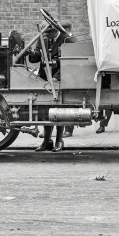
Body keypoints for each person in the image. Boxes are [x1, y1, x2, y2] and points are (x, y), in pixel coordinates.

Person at [28, 21, 76, 151]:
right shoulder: (43, 38)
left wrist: (57, 77)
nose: (44, 38)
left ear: (55, 31)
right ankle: (46, 141)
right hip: (45, 79)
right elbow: (38, 56)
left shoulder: (68, 40)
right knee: (45, 111)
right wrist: (32, 54)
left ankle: (59, 141)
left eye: (47, 35)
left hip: (61, 79)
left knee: (59, 111)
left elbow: (70, 62)